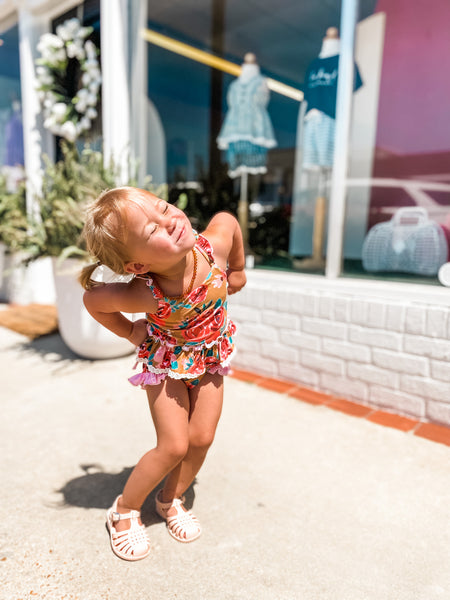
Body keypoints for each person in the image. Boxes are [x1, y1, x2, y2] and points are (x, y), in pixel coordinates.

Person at [79, 186, 246, 561]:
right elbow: (94, 300)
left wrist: (238, 268)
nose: (169, 221)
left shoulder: (213, 250)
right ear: (137, 266)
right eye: (152, 230)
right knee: (174, 445)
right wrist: (131, 331)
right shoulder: (145, 294)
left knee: (201, 437)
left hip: (209, 355)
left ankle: (169, 500)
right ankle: (123, 510)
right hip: (167, 363)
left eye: (163, 207)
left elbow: (229, 222)